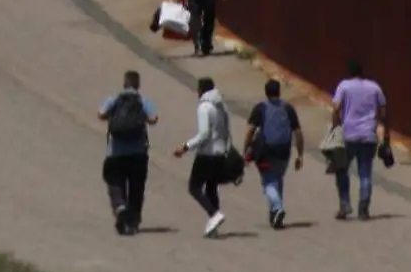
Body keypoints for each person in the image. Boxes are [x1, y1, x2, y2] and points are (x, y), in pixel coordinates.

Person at [97, 70, 160, 235]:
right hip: (138, 152)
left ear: (124, 83)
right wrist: (141, 119)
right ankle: (133, 221)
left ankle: (120, 207)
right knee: (136, 187)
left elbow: (101, 114)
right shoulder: (142, 101)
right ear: (138, 84)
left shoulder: (114, 99)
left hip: (116, 152)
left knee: (114, 182)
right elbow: (153, 119)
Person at [173, 77, 232, 238]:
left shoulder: (204, 107)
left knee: (194, 187)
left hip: (207, 154)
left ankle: (214, 214)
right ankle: (213, 226)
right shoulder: (221, 106)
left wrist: (185, 147)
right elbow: (226, 130)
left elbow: (204, 134)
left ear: (201, 90)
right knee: (211, 188)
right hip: (220, 153)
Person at [330, 61, 389, 221]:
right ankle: (363, 208)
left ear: (349, 72)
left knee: (342, 170)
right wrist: (377, 125)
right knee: (365, 174)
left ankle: (345, 204)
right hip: (368, 136)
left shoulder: (344, 86)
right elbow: (383, 111)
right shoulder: (374, 87)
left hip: (348, 135)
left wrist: (335, 127)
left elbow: (335, 109)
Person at [245, 79, 304, 229]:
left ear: (266, 92)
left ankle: (277, 207)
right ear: (279, 91)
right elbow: (298, 132)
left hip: (266, 151)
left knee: (268, 183)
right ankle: (274, 215)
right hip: (284, 151)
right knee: (277, 179)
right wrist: (300, 154)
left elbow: (250, 130)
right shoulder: (288, 108)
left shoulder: (261, 108)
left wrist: (246, 149)